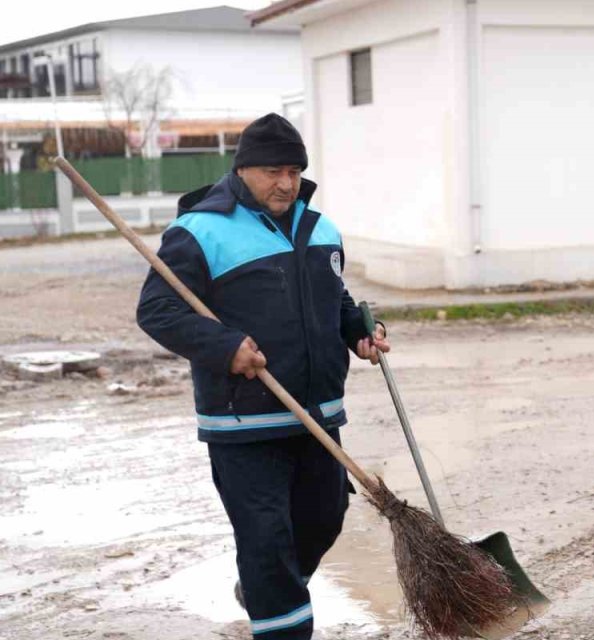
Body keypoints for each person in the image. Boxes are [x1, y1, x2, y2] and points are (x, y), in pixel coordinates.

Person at [137, 113, 390, 639]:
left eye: (295, 171)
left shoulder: (320, 227)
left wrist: (358, 331)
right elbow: (158, 311)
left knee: (322, 522)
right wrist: (225, 347)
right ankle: (280, 621)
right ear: (243, 170)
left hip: (317, 415)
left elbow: (334, 299)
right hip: (243, 422)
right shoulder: (199, 231)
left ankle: (262, 590)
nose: (286, 183)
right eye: (273, 171)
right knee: (267, 541)